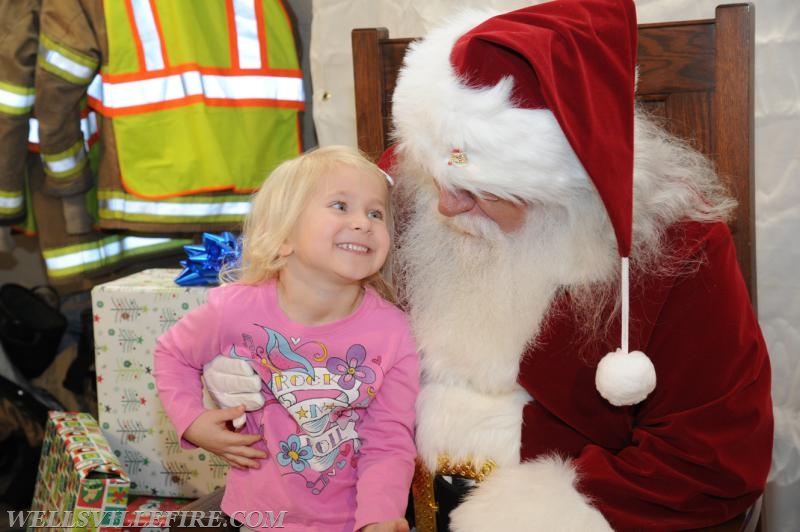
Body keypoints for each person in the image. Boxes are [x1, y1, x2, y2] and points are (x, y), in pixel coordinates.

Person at [205, 0, 773, 530]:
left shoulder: (678, 247)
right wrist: (242, 361)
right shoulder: (405, 188)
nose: (446, 206)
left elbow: (712, 458)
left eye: (478, 191)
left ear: (560, 187)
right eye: (436, 180)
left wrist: (544, 513)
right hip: (367, 494)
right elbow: (300, 290)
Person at [154, 145, 419, 532]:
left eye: (375, 213)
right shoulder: (235, 309)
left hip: (351, 524)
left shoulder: (396, 334)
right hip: (257, 518)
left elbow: (389, 439)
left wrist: (380, 516)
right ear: (283, 237)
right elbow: (172, 353)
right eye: (341, 206)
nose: (363, 222)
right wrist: (192, 420)